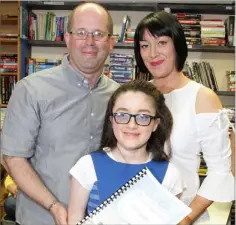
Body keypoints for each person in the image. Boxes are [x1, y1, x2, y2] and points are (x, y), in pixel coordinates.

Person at [1, 2, 119, 225]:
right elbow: (13, 157)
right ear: (67, 39)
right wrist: (54, 207)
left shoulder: (120, 97)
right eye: (81, 33)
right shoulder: (31, 90)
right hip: (42, 219)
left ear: (111, 42)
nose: (90, 42)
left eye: (98, 34)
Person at [134, 11, 234, 224]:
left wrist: (185, 219)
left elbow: (220, 171)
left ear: (177, 45)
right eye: (144, 45)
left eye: (161, 43)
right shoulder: (136, 95)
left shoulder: (202, 97)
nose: (152, 54)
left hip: (184, 214)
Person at [68, 80, 185, 225]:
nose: (132, 125)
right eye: (123, 115)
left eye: (143, 117)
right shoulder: (87, 166)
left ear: (155, 124)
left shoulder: (169, 174)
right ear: (111, 120)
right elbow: (74, 218)